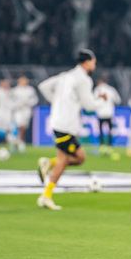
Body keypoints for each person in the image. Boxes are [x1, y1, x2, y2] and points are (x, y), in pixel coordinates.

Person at [37, 49, 104, 210]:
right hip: (65, 125)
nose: (95, 65)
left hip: (60, 122)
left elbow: (43, 86)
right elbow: (89, 106)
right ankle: (46, 196)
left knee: (80, 157)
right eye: (94, 62)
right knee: (64, 160)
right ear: (87, 62)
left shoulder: (65, 76)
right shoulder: (84, 80)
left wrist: (57, 103)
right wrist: (101, 101)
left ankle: (48, 163)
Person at [11, 76, 39, 154]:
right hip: (18, 111)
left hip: (27, 111)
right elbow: (10, 101)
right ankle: (21, 144)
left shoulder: (30, 90)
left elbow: (35, 99)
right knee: (20, 127)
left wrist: (29, 103)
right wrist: (15, 106)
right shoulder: (15, 90)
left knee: (24, 128)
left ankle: (16, 142)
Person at [93, 76, 121, 151]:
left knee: (100, 129)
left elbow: (93, 101)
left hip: (100, 113)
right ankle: (110, 143)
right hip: (109, 113)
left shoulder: (97, 90)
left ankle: (101, 143)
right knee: (110, 129)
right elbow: (118, 100)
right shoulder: (111, 89)